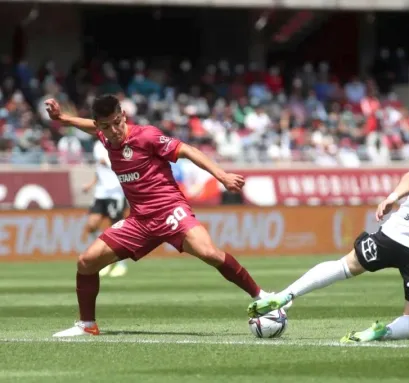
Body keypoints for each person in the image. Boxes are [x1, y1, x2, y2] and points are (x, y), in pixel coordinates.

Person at [247, 110, 409, 343]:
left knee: (345, 265)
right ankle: (381, 332)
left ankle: (285, 295)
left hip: (393, 236)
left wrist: (392, 197)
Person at [45, 95, 273, 337]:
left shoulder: (146, 135)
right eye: (105, 126)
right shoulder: (104, 135)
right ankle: (87, 325)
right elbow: (90, 127)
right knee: (86, 262)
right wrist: (62, 118)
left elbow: (188, 150)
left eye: (116, 123)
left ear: (123, 116)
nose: (113, 131)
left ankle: (262, 296)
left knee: (209, 253)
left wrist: (222, 176)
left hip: (170, 210)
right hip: (140, 221)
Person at [82, 138, 128, 277]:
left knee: (116, 230)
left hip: (115, 193)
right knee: (91, 225)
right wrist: (91, 184)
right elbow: (99, 169)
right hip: (101, 193)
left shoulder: (119, 143)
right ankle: (103, 259)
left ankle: (121, 264)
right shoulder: (97, 145)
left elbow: (124, 165)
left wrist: (107, 162)